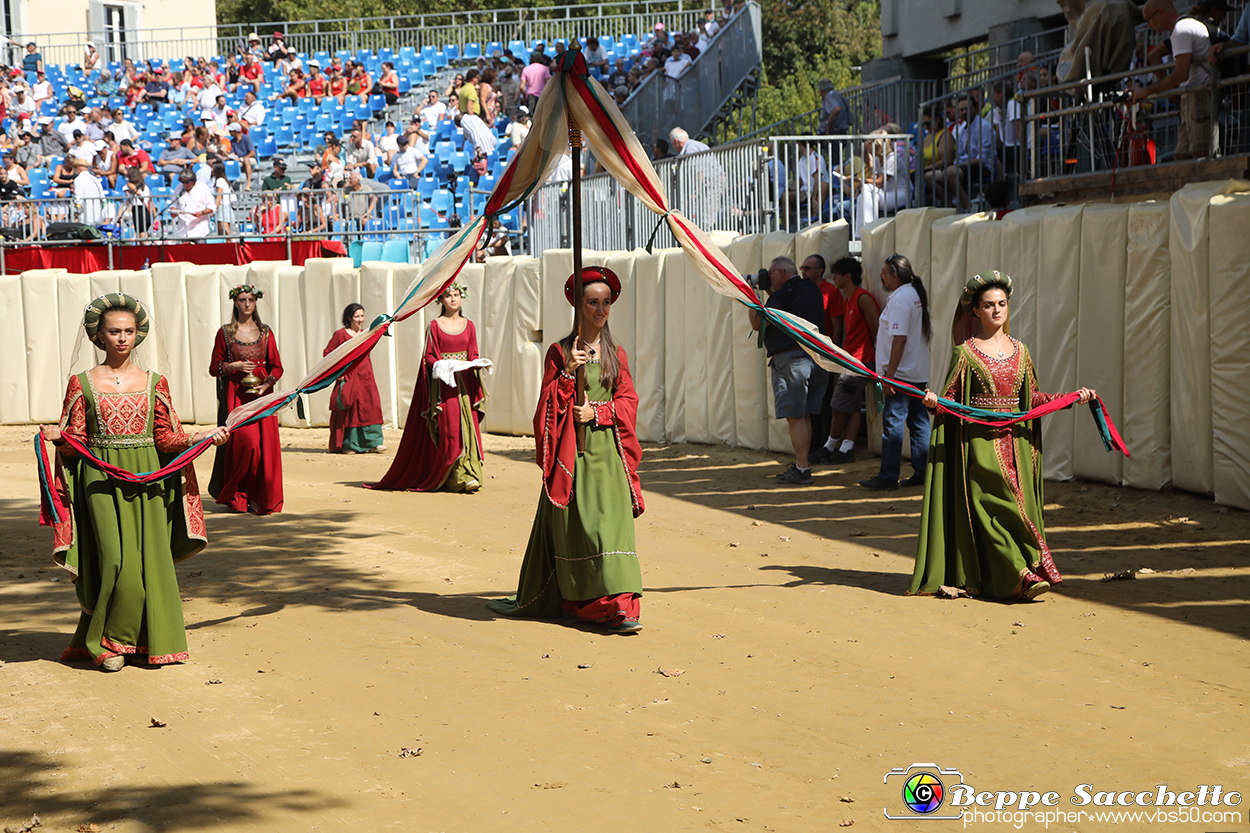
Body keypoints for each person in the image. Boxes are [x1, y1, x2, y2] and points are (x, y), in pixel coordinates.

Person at [40, 293, 228, 670]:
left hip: (148, 478)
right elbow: (76, 441)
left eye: (128, 331)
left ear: (138, 333)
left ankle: (141, 642)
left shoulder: (155, 382)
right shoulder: (82, 383)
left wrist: (200, 436)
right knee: (113, 561)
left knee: (148, 562)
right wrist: (59, 438)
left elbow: (164, 438)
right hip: (100, 481)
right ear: (100, 335)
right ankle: (111, 642)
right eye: (114, 331)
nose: (122, 338)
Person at [912, 272, 1097, 601]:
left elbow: (1033, 399)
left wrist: (1070, 398)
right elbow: (950, 401)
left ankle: (1015, 573)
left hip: (1017, 445)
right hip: (978, 444)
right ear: (976, 312)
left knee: (1014, 506)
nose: (997, 310)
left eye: (1002, 304)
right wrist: (933, 403)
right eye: (988, 305)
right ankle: (1021, 573)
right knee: (991, 505)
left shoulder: (1021, 352)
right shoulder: (965, 353)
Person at [487, 267, 645, 633]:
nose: (600, 310)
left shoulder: (614, 352)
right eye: (593, 302)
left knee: (613, 531)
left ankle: (622, 606)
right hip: (574, 456)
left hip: (610, 453)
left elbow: (628, 400)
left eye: (606, 303)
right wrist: (564, 377)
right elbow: (545, 410)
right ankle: (586, 603)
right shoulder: (560, 352)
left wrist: (599, 411)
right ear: (578, 305)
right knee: (585, 530)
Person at [369, 283, 485, 491]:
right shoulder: (434, 325)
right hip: (444, 388)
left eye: (456, 295)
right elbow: (429, 356)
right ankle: (453, 476)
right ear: (440, 300)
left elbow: (473, 354)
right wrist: (441, 364)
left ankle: (469, 472)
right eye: (448, 296)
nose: (453, 299)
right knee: (451, 431)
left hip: (464, 388)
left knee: (469, 429)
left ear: (462, 297)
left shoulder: (470, 326)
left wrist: (479, 363)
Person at [748, 256, 829, 486]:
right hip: (816, 358)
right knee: (803, 415)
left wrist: (750, 296)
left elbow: (758, 321)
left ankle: (802, 468)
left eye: (771, 273)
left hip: (793, 359)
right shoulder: (809, 287)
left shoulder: (788, 291)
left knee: (795, 416)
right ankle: (802, 465)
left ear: (781, 273)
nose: (768, 277)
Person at [208, 285, 284, 515]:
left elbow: (277, 367)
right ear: (235, 302)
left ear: (256, 302)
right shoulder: (225, 333)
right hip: (237, 399)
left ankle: (261, 496)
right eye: (242, 300)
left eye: (251, 299)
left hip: (262, 397)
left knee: (265, 448)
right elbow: (214, 368)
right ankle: (238, 495)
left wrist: (266, 385)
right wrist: (234, 366)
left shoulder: (266, 332)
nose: (247, 304)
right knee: (247, 445)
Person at [860, 254, 931, 491]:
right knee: (919, 423)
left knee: (893, 425)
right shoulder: (912, 294)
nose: (880, 275)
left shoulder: (901, 299)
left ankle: (888, 476)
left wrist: (889, 376)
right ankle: (922, 472)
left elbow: (899, 340)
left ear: (894, 275)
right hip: (915, 372)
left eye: (883, 272)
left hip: (900, 374)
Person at [1129, 0, 1214, 160]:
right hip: (1192, 96)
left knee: (1201, 154)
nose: (1149, 25)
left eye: (1149, 20)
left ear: (1161, 12)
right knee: (1181, 155)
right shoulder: (1180, 29)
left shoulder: (1182, 29)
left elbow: (1181, 74)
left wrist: (1147, 90)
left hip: (1198, 96)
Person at [815, 257, 879, 464]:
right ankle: (845, 447)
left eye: (836, 274)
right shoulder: (849, 298)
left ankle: (832, 445)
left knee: (838, 405)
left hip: (859, 361)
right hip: (851, 360)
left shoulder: (862, 298)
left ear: (847, 276)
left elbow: (876, 330)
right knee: (848, 405)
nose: (833, 278)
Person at [324, 304, 385, 454]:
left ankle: (373, 442)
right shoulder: (340, 334)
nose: (360, 320)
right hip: (349, 376)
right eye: (357, 316)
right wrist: (338, 373)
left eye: (362, 316)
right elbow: (328, 354)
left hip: (366, 376)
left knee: (370, 407)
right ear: (349, 317)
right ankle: (349, 444)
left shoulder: (366, 333)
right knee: (350, 409)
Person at [170, 167, 215, 238]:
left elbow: (211, 207)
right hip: (183, 231)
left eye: (187, 182)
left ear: (193, 180)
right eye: (183, 182)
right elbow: (173, 204)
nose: (185, 184)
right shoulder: (179, 187)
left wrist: (201, 213)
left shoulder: (202, 187)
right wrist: (174, 210)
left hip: (199, 230)